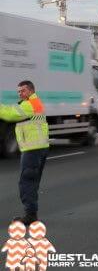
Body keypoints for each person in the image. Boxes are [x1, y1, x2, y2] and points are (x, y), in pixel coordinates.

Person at [0, 81, 49, 225]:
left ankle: (30, 215)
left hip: (33, 149)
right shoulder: (34, 103)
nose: (20, 93)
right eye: (19, 91)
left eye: (23, 91)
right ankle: (31, 213)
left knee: (26, 182)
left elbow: (10, 114)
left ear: (31, 91)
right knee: (32, 182)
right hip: (39, 147)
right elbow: (13, 109)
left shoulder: (31, 104)